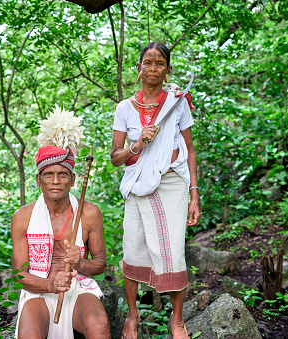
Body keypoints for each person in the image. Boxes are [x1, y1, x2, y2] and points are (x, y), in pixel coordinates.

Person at [110, 42, 201, 339]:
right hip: (138, 184)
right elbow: (115, 158)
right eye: (147, 62)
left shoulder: (177, 103)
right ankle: (132, 316)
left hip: (172, 183)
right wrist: (137, 144)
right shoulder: (124, 108)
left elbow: (189, 150)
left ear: (168, 70)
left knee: (173, 253)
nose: (152, 68)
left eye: (159, 63)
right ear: (138, 69)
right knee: (133, 248)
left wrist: (194, 195)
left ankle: (177, 321)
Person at [11, 107, 110, 339]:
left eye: (63, 174)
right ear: (38, 180)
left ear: (73, 179)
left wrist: (80, 264)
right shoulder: (22, 217)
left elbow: (101, 264)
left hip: (78, 288)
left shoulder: (89, 213)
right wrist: (50, 286)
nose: (55, 181)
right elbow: (18, 276)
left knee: (100, 327)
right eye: (48, 174)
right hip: (39, 289)